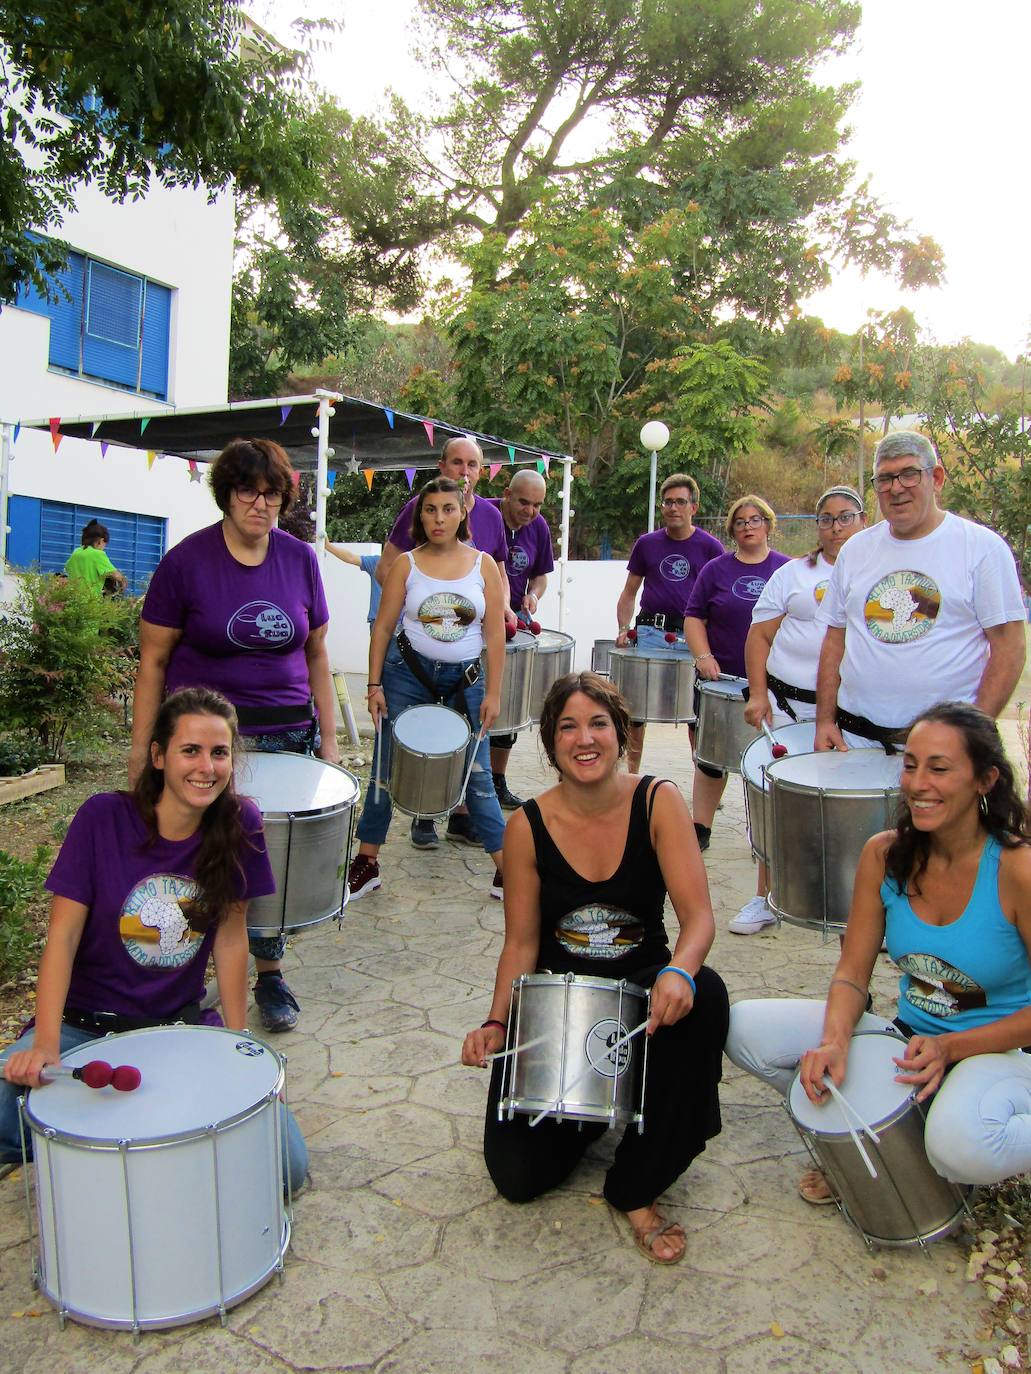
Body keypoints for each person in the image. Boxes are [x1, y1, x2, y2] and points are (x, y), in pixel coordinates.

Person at [461, 672, 729, 1264]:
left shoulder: (660, 801)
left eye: (598, 723)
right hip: (562, 1012)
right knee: (518, 1178)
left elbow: (700, 919)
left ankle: (635, 1185)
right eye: (568, 727)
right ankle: (599, 1106)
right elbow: (521, 946)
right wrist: (497, 1024)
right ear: (551, 744)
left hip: (646, 999)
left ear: (622, 731)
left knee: (706, 994)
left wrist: (679, 972)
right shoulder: (526, 826)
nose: (585, 739)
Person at [0, 688, 308, 1192]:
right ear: (159, 756)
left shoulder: (240, 823)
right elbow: (63, 935)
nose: (206, 767)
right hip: (83, 1026)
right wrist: (48, 1045)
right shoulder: (102, 818)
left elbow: (231, 941)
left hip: (177, 1025)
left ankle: (126, 1144)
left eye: (219, 752)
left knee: (285, 1168)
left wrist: (237, 1043)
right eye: (190, 750)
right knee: (6, 1109)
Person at [726, 702, 1031, 1205]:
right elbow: (852, 973)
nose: (918, 783)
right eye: (910, 765)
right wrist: (834, 1041)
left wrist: (952, 1049)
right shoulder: (884, 854)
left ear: (985, 779)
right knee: (744, 1031)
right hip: (907, 1041)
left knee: (958, 1148)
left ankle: (946, 1138)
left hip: (993, 1052)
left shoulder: (1016, 867)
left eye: (939, 768)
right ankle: (870, 1141)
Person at [129, 437, 340, 1034]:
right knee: (196, 862)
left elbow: (318, 653)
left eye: (271, 493)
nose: (260, 504)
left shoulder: (299, 559)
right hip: (205, 747)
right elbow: (152, 661)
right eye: (248, 491)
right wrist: (146, 750)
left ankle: (269, 975)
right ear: (227, 494)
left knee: (266, 869)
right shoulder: (186, 562)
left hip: (288, 737)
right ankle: (188, 984)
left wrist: (327, 745)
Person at [346, 477, 508, 902]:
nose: (439, 518)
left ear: (462, 514)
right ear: (420, 516)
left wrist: (494, 694)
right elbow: (383, 627)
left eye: (448, 509)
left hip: (467, 682)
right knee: (384, 766)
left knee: (478, 774)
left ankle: (508, 870)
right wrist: (374, 683)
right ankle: (367, 863)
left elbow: (494, 634)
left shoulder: (483, 565)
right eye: (430, 509)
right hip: (407, 676)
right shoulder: (407, 564)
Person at [815, 431, 1025, 753]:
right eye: (884, 478)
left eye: (909, 474)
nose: (896, 488)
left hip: (947, 750)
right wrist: (825, 721)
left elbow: (1008, 648)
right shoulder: (856, 550)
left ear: (937, 478)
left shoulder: (982, 549)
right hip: (855, 740)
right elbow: (834, 639)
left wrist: (974, 735)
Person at [732, 485, 867, 934]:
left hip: (855, 714)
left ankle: (865, 910)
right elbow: (759, 637)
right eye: (826, 518)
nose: (836, 527)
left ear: (863, 520)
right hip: (789, 708)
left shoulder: (877, 572)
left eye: (845, 517)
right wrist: (757, 694)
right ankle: (765, 897)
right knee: (777, 799)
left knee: (856, 809)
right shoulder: (792, 574)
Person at [377, 436, 512, 849]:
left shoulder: (491, 516)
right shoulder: (417, 511)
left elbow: (499, 574)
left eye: (473, 465)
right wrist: (423, 605)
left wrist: (501, 609)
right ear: (442, 466)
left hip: (467, 663)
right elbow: (389, 568)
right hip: (414, 659)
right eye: (457, 463)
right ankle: (422, 818)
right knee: (417, 746)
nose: (466, 472)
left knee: (471, 758)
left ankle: (470, 824)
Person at [683, 495, 789, 852]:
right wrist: (703, 656)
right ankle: (701, 827)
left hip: (775, 686)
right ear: (732, 529)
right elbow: (694, 617)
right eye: (741, 521)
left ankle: (766, 835)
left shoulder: (787, 570)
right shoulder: (716, 569)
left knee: (767, 761)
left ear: (769, 524)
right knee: (711, 758)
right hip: (721, 682)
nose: (748, 526)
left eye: (755, 519)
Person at [614, 474, 724, 773]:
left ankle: (703, 776)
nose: (674, 508)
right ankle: (631, 776)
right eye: (668, 502)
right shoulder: (646, 544)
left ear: (694, 507)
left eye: (681, 502)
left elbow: (718, 599)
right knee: (635, 710)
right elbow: (629, 592)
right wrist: (624, 630)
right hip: (650, 632)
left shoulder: (711, 548)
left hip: (693, 638)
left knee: (697, 711)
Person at [484, 467, 555, 809]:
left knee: (508, 707)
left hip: (513, 624)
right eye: (524, 503)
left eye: (538, 505)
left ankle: (497, 781)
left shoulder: (538, 527)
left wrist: (534, 596)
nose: (530, 512)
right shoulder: (483, 514)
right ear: (507, 494)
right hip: (474, 622)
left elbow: (540, 575)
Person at [64, 518, 127, 595]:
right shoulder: (97, 554)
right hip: (91, 601)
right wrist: (123, 582)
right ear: (101, 541)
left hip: (73, 599)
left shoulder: (76, 552)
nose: (104, 548)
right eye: (105, 544)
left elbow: (67, 569)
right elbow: (116, 575)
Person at [325, 542, 382, 626]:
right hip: (378, 622)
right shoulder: (377, 562)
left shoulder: (405, 565)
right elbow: (350, 557)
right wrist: (327, 545)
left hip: (400, 625)